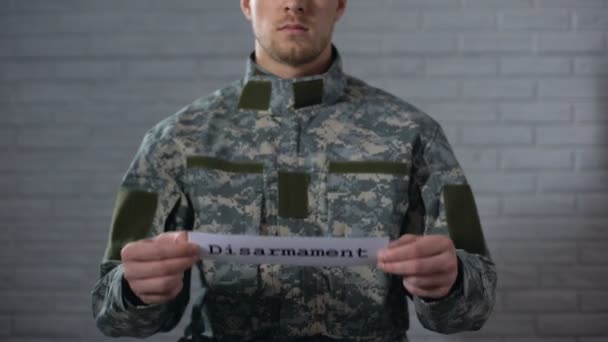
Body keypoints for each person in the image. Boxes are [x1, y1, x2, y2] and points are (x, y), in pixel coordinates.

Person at [91, 1, 497, 341]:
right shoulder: (177, 139)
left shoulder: (413, 133)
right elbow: (112, 313)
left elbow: (472, 307)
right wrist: (136, 290)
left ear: (339, 4)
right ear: (247, 3)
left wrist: (451, 282)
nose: (295, 3)